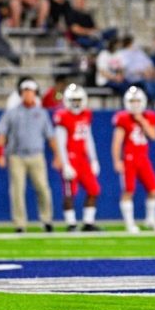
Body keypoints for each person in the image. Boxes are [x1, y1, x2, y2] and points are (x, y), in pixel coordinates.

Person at [0, 79, 61, 232]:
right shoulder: (12, 112)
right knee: (17, 190)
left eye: (30, 91)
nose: (27, 94)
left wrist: (57, 155)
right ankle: (20, 224)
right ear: (21, 93)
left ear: (35, 93)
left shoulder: (41, 113)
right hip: (16, 155)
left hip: (36, 155)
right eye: (25, 91)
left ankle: (47, 220)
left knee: (43, 188)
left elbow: (50, 136)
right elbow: (1, 134)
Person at [112, 86, 155, 233]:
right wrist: (117, 160)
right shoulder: (123, 118)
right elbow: (117, 142)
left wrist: (142, 120)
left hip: (143, 157)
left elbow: (154, 136)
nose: (135, 104)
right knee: (128, 190)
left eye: (137, 101)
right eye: (132, 101)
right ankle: (129, 223)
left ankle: (151, 220)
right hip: (129, 158)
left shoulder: (149, 117)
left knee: (153, 188)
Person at [53, 84, 102, 231]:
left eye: (78, 100)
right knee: (70, 193)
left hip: (82, 159)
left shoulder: (86, 114)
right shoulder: (63, 116)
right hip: (70, 158)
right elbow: (60, 143)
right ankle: (71, 223)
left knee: (94, 189)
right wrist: (65, 163)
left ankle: (88, 222)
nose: (76, 103)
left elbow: (88, 138)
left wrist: (93, 159)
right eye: (73, 100)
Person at [119, 36, 155, 105]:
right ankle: (153, 101)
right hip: (134, 78)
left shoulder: (139, 52)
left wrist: (150, 71)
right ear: (129, 43)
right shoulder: (123, 54)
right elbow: (128, 69)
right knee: (148, 84)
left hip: (147, 75)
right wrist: (142, 73)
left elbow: (149, 63)